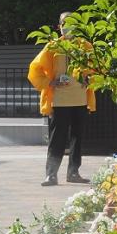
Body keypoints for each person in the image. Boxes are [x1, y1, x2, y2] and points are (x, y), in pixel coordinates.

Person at [28, 11, 96, 187]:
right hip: (59, 100)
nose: (68, 26)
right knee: (57, 138)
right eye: (64, 22)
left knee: (77, 137)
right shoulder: (53, 46)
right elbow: (34, 69)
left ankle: (74, 172)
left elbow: (97, 68)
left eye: (72, 22)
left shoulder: (85, 46)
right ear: (59, 26)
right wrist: (50, 82)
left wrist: (90, 79)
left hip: (81, 99)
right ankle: (51, 174)